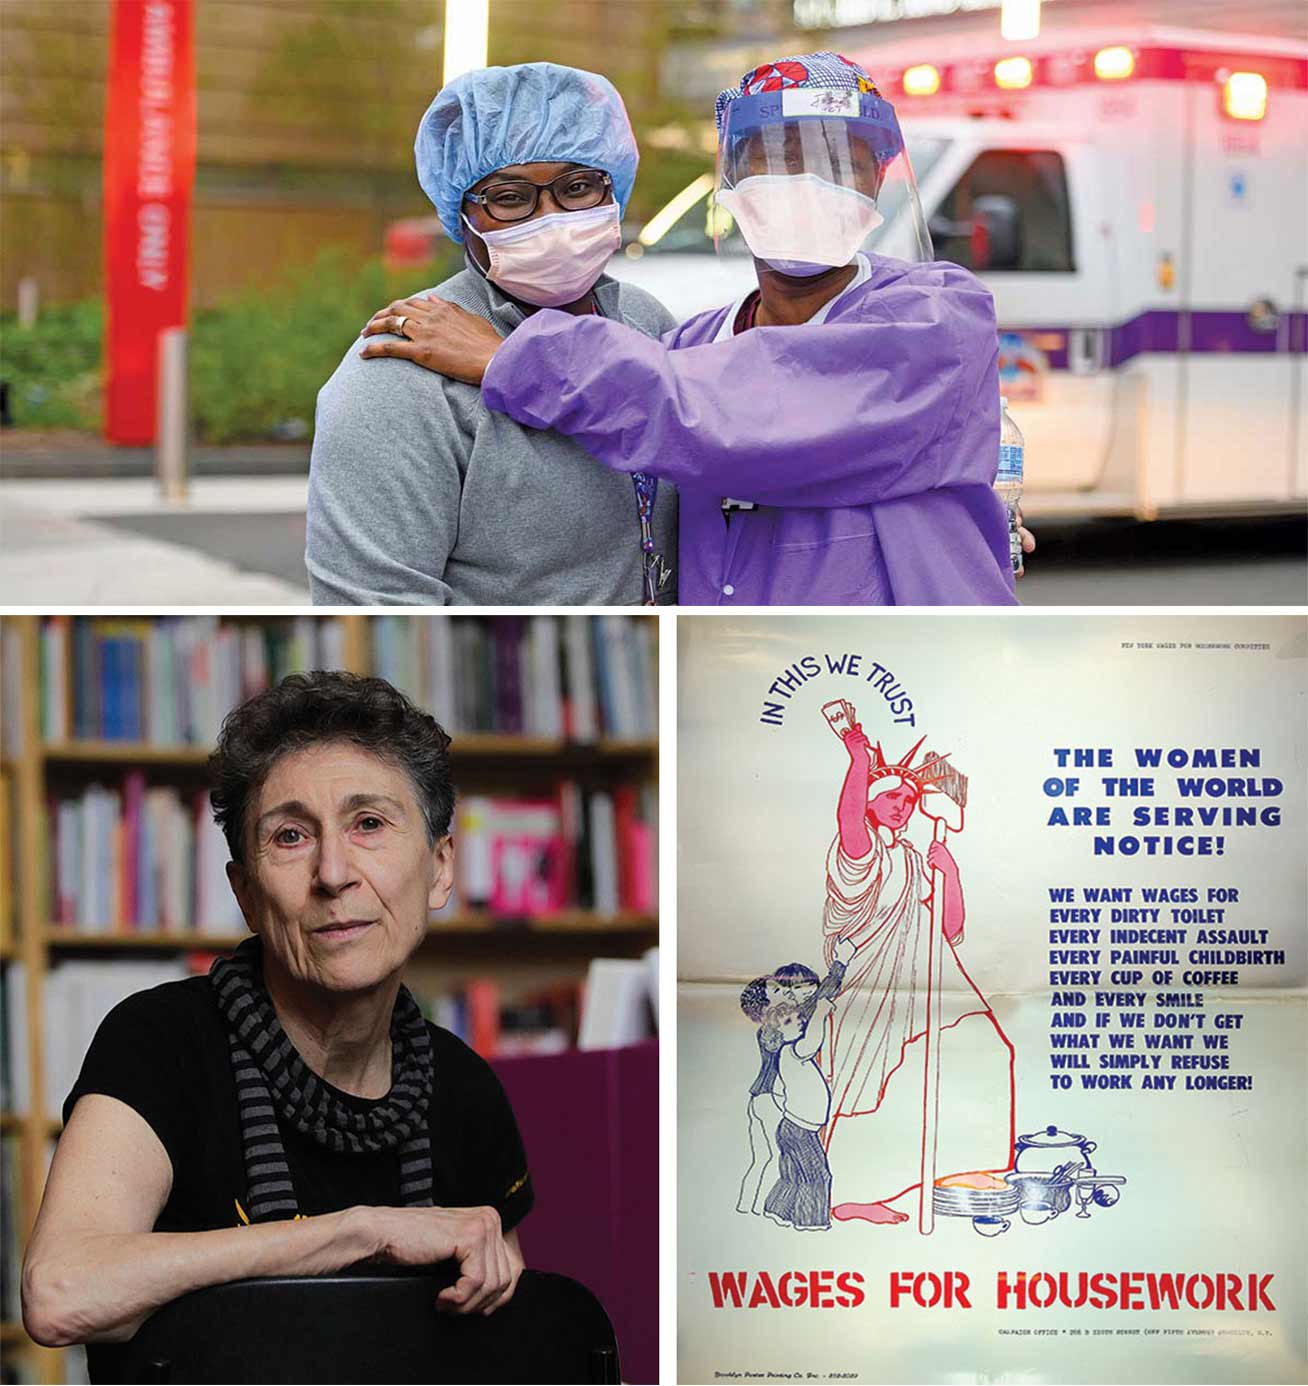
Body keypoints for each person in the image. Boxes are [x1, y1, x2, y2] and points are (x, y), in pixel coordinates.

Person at [362, 51, 1033, 606]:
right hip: (747, 687)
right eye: (777, 155)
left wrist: (512, 357)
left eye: (839, 162)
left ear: (878, 179)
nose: (806, 183)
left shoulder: (938, 314)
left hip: (908, 684)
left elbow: (735, 417)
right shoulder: (689, 345)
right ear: (733, 178)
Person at [22, 672, 533, 1378]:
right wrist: (362, 1233)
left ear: (440, 868)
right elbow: (60, 1292)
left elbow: (500, 1354)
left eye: (369, 824)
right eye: (290, 836)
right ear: (246, 894)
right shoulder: (161, 1042)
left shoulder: (466, 1090)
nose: (333, 873)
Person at [307, 63, 677, 605]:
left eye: (577, 188)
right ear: (460, 213)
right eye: (509, 198)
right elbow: (373, 603)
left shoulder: (646, 323)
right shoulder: (400, 375)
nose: (550, 219)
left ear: (613, 188)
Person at [817, 724, 1015, 1225]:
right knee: (867, 1080)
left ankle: (962, 1164)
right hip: (871, 982)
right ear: (868, 800)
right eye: (891, 798)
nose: (903, 805)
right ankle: (850, 1191)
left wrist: (950, 873)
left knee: (986, 1044)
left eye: (909, 798)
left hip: (925, 979)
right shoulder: (859, 853)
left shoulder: (909, 857)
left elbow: (947, 928)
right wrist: (858, 759)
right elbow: (847, 818)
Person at [736, 951, 851, 1214]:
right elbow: (818, 1006)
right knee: (780, 1162)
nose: (806, 993)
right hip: (772, 1101)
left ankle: (750, 1210)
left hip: (765, 1098)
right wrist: (839, 965)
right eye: (796, 988)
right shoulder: (781, 1030)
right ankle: (764, 1212)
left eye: (808, 986)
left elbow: (820, 996)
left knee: (765, 1160)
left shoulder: (781, 1022)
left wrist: (838, 967)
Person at [758, 997, 837, 1231]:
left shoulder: (787, 1055)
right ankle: (810, 1221)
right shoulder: (793, 1051)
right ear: (778, 1033)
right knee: (816, 1176)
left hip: (792, 1127)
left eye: (797, 1018)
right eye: (790, 1021)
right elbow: (812, 1041)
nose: (799, 1022)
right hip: (800, 1130)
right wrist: (821, 1012)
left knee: (792, 1175)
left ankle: (778, 1210)